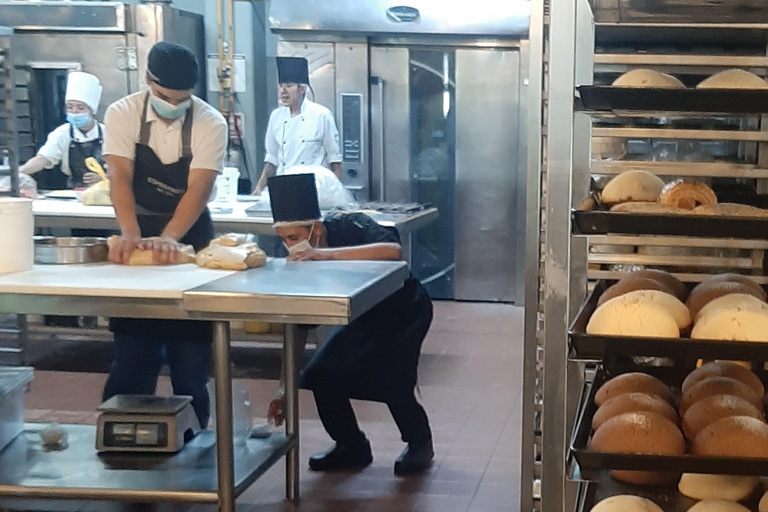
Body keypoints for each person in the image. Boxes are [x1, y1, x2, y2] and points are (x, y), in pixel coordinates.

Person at [266, 173, 435, 476]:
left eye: (294, 238)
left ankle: (420, 444)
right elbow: (298, 324)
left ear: (315, 229)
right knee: (321, 375)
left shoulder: (350, 225)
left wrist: (323, 256)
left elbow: (393, 253)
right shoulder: (295, 261)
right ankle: (352, 446)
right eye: (284, 240)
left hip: (404, 311)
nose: (289, 246)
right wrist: (283, 388)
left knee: (394, 380)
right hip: (363, 316)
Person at [101, 41, 227, 429]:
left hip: (190, 236)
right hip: (137, 230)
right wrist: (130, 233)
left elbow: (198, 188)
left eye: (181, 99)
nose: (172, 106)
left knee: (190, 363)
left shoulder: (210, 122)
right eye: (162, 97)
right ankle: (122, 444)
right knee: (132, 357)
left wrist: (171, 237)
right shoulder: (122, 113)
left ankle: (200, 450)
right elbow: (119, 178)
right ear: (147, 81)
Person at [251, 57, 342, 196]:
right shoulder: (276, 116)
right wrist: (258, 189)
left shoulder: (322, 115)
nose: (283, 91)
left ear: (302, 88)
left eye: (289, 86)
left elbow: (335, 161)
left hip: (313, 191)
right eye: (281, 86)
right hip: (282, 188)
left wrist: (336, 194)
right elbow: (271, 160)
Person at [20, 71, 105, 189]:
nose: (74, 111)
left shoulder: (108, 133)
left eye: (80, 108)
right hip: (74, 191)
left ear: (91, 110)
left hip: (106, 191)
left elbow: (124, 167)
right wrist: (19, 173)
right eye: (70, 107)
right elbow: (43, 159)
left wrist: (104, 177)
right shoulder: (62, 134)